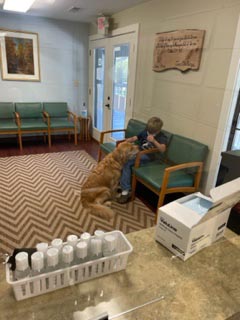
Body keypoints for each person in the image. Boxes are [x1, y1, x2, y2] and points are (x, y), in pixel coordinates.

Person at [117, 116, 168, 204]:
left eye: (151, 132)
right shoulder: (145, 131)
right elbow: (135, 137)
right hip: (139, 152)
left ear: (158, 130)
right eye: (148, 131)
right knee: (122, 157)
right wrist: (126, 141)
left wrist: (154, 141)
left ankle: (126, 191)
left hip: (149, 157)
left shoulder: (161, 136)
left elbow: (162, 149)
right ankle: (122, 182)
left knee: (127, 162)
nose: (149, 133)